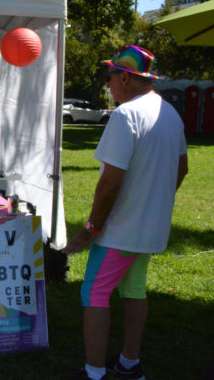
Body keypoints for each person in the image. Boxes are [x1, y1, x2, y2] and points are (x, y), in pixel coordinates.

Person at [63, 45, 188, 380]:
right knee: (133, 290)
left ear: (127, 78)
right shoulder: (169, 114)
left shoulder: (125, 115)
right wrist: (155, 201)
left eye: (110, 77)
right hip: (149, 227)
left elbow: (110, 185)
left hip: (121, 228)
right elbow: (182, 168)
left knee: (94, 292)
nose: (108, 85)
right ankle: (130, 364)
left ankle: (94, 373)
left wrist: (90, 229)